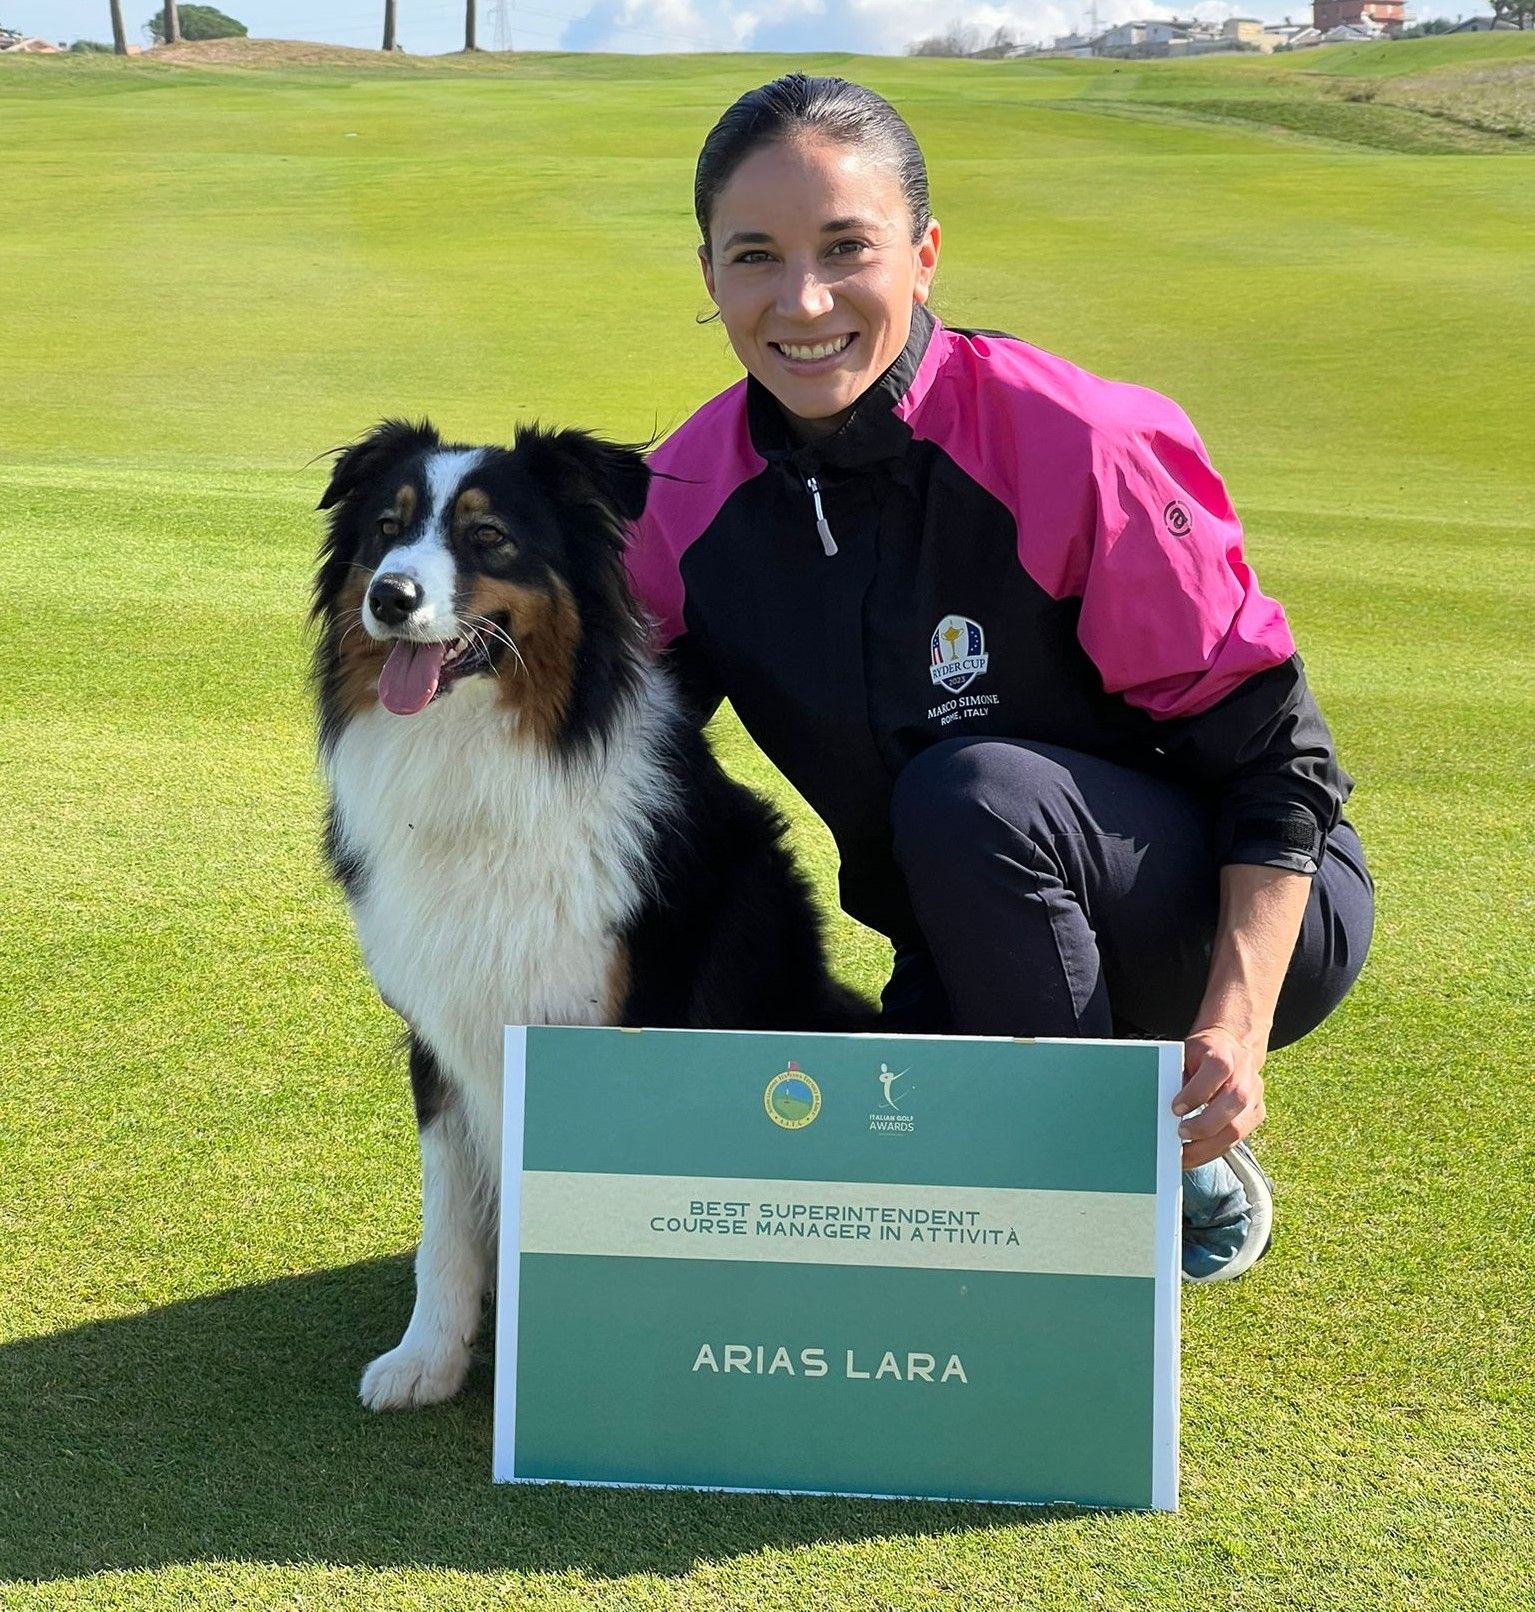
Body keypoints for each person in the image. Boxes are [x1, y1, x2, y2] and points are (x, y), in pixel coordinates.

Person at [625, 74, 1374, 1283]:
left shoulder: (1077, 444)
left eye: (845, 248)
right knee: (871, 1169)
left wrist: (1229, 1028)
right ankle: (1038, 1132)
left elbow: (1280, 766)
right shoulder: (683, 500)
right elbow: (604, 756)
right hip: (974, 932)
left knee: (966, 793)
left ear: (922, 256)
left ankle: (1136, 1184)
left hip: (1220, 923)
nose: (801, 299)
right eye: (754, 255)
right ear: (707, 276)